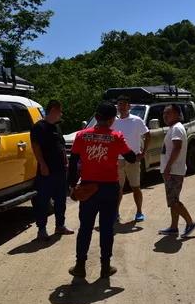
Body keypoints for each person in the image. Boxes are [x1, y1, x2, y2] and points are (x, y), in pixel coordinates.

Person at [67, 102, 136, 279]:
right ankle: (105, 267)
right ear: (113, 120)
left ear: (96, 117)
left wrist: (72, 184)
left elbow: (73, 161)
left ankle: (80, 266)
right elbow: (130, 157)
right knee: (106, 228)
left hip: (88, 188)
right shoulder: (116, 137)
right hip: (109, 189)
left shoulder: (82, 136)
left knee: (85, 228)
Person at [30, 100, 74, 242]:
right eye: (60, 111)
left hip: (60, 170)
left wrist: (66, 162)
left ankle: (60, 225)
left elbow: (60, 146)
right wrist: (42, 164)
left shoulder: (56, 127)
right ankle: (41, 229)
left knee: (61, 199)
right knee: (43, 200)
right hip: (46, 171)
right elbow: (36, 147)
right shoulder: (39, 127)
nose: (61, 114)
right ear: (54, 110)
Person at [157, 104, 195, 238]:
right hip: (172, 170)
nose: (165, 116)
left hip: (173, 171)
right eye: (164, 113)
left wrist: (168, 167)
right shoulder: (174, 128)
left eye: (168, 113)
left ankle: (190, 223)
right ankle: (174, 227)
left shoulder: (177, 129)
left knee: (174, 201)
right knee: (173, 201)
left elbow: (177, 148)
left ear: (177, 114)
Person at [111, 95, 151, 223]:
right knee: (118, 188)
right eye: (119, 104)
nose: (121, 107)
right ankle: (115, 213)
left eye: (123, 104)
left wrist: (143, 153)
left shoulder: (136, 120)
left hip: (133, 158)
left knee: (135, 187)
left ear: (129, 106)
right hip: (117, 159)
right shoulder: (113, 121)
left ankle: (139, 212)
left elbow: (147, 135)